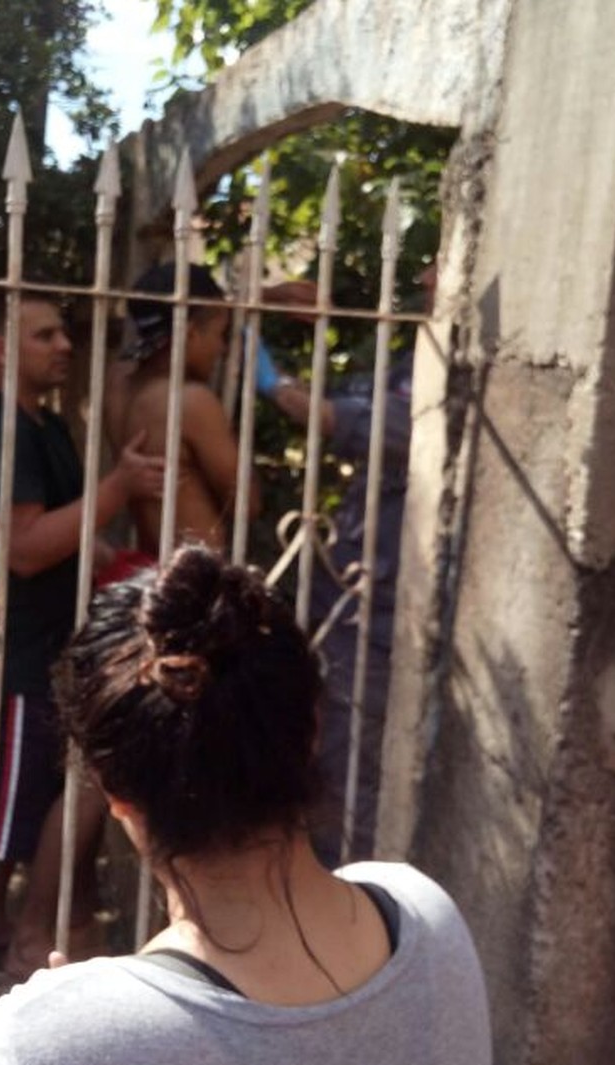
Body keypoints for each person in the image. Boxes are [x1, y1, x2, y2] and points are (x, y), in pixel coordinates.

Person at [0, 545, 491, 1064]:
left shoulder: (41, 1043)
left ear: (112, 790)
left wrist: (64, 1023)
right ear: (312, 731)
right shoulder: (427, 917)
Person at [0, 291, 165, 1065]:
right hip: (10, 666)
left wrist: (128, 558)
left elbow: (72, 534)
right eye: (45, 335)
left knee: (35, 817)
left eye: (63, 333)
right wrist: (119, 488)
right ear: (2, 348)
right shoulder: (2, 432)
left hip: (46, 658)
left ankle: (18, 949)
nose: (64, 345)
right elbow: (27, 547)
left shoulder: (41, 425)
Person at [253, 266, 436, 865]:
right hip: (344, 603)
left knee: (355, 778)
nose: (429, 274)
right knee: (318, 756)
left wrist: (273, 383)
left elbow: (344, 419)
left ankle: (350, 909)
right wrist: (263, 307)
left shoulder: (452, 382)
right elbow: (346, 398)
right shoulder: (414, 362)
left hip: (384, 620)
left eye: (442, 264)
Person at [103, 262, 260, 555]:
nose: (222, 349)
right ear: (189, 334)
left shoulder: (118, 381)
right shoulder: (190, 402)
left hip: (148, 571)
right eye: (219, 334)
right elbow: (245, 503)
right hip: (194, 580)